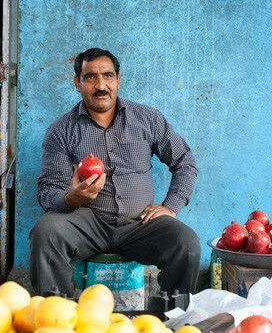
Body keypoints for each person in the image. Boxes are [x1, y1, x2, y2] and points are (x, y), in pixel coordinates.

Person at [29, 48, 200, 297]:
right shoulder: (61, 130)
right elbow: (47, 191)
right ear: (77, 83)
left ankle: (174, 318)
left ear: (118, 80)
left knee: (187, 244)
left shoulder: (147, 119)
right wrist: (70, 199)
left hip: (141, 224)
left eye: (108, 76)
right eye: (90, 77)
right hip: (86, 224)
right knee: (45, 232)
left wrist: (171, 207)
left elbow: (185, 162)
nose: (101, 85)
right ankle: (56, 317)